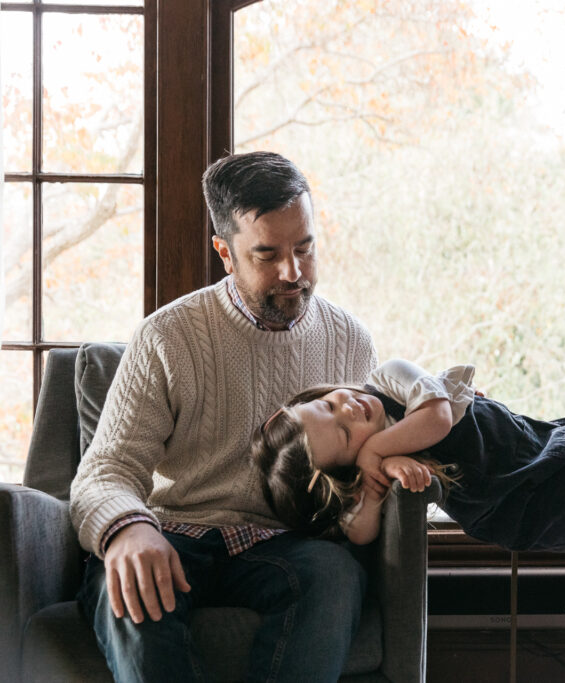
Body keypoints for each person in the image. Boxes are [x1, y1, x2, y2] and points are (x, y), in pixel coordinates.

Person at [69, 151, 377, 682]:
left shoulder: (349, 340)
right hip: (173, 533)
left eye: (304, 248)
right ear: (225, 253)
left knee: (335, 575)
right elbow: (106, 470)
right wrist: (127, 530)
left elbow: (385, 432)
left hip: (285, 544)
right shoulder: (167, 336)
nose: (294, 273)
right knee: (128, 586)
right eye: (268, 254)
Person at [252, 358, 565, 552]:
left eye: (328, 403)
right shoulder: (372, 471)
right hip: (521, 503)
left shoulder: (386, 379)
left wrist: (374, 448)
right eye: (343, 433)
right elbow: (359, 533)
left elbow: (438, 419)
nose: (349, 408)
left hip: (537, 441)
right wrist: (375, 484)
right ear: (346, 469)